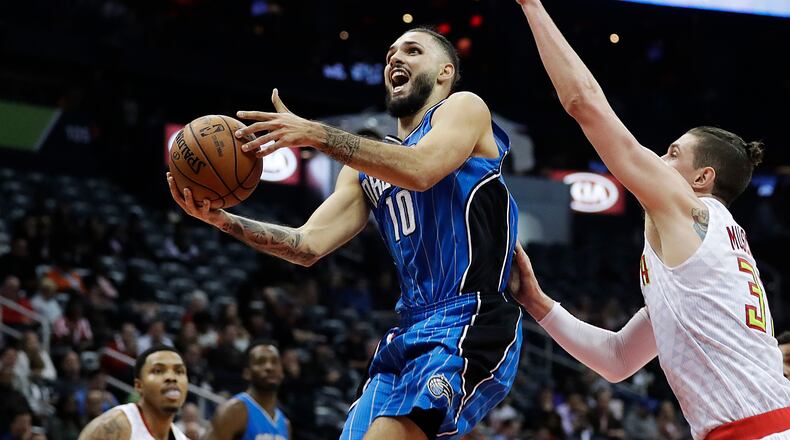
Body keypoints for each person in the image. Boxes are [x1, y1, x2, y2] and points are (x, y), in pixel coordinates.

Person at [167, 26, 523, 440]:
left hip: (469, 318)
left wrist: (315, 133)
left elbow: (422, 169)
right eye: (390, 54)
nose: (396, 58)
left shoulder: (464, 107)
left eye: (412, 50)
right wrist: (223, 220)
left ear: (445, 71)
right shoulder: (363, 173)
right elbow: (307, 245)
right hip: (409, 329)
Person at [511, 1, 790, 438]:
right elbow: (618, 359)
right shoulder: (702, 269)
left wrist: (531, 5)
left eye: (673, 154)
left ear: (702, 178)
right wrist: (537, 302)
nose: (658, 160)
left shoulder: (692, 209)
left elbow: (584, 103)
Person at [77, 346, 189, 440]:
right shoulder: (113, 427)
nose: (171, 378)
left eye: (179, 371)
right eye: (158, 371)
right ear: (139, 385)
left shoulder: (182, 438)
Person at [203, 341, 290, 440]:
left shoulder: (285, 424)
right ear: (247, 373)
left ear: (282, 372)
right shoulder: (234, 411)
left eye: (274, 362)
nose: (269, 367)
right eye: (260, 362)